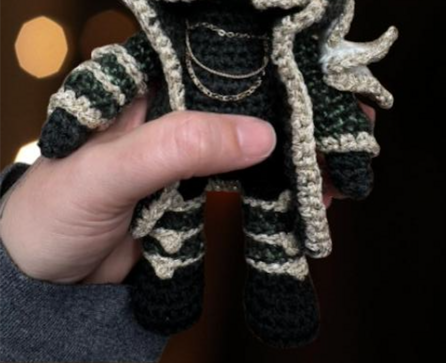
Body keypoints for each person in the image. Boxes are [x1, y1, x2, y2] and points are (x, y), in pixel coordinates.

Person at [0, 93, 374, 363]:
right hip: (185, 171)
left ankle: (278, 281)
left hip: (267, 165)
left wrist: (347, 147)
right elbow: (113, 75)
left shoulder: (292, 47)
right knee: (176, 214)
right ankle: (173, 275)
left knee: (271, 218)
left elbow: (327, 99)